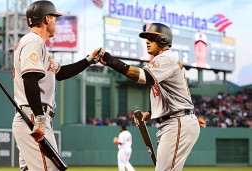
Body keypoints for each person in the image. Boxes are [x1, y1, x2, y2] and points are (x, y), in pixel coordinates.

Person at [12, 1, 103, 170]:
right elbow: (30, 78)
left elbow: (60, 73)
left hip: (31, 116)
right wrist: (39, 118)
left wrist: (89, 60)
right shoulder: (33, 41)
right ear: (47, 19)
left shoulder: (37, 45)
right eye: (54, 18)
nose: (56, 22)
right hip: (33, 116)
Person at [100, 23, 201, 171]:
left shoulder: (166, 57)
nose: (147, 41)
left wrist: (113, 62)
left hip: (178, 121)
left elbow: (143, 77)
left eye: (151, 38)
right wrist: (150, 113)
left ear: (163, 40)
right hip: (174, 120)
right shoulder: (163, 62)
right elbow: (170, 98)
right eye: (146, 38)